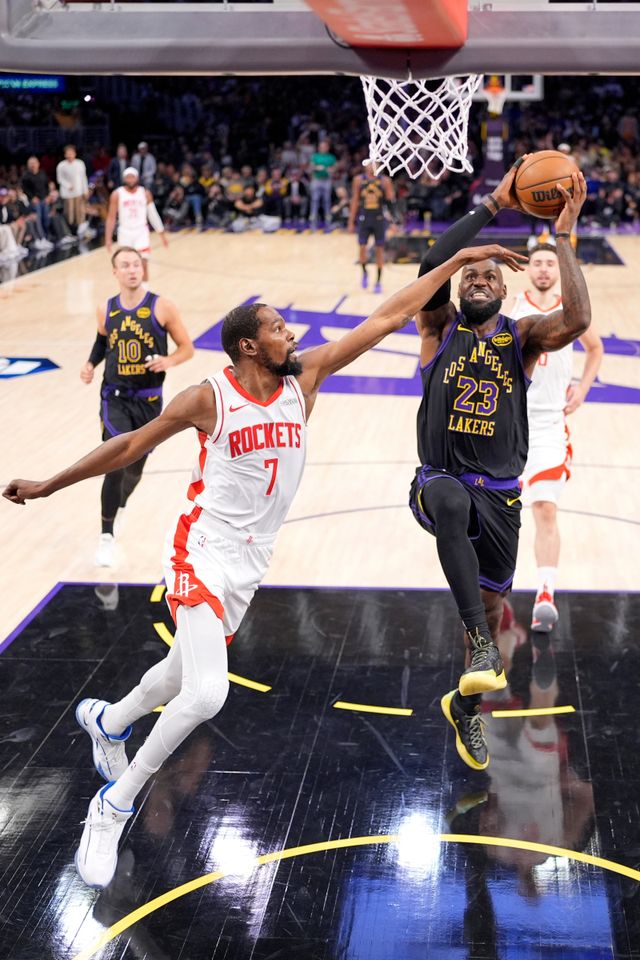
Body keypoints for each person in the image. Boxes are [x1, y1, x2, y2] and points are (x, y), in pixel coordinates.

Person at [3, 241, 526, 889]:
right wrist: (49, 485)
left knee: (178, 673)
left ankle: (107, 721)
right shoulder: (208, 398)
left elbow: (388, 316)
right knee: (206, 692)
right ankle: (114, 804)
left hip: (251, 561)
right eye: (279, 327)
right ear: (249, 346)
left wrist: (457, 258)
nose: (292, 333)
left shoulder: (304, 379)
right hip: (202, 548)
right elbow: (129, 445)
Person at [408, 163, 590, 772]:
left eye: (490, 275)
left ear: (504, 290)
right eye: (472, 275)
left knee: (488, 612)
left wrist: (563, 236)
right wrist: (489, 210)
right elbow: (429, 263)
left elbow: (578, 321)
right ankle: (484, 646)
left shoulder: (523, 337)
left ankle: (465, 704)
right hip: (440, 480)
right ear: (459, 286)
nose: (481, 279)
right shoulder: (437, 327)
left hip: (502, 495)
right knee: (450, 502)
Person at [505, 242, 603, 631]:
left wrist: (583, 388)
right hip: (510, 424)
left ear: (558, 271)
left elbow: (595, 348)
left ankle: (545, 592)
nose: (544, 269)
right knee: (504, 511)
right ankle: (498, 588)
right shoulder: (512, 308)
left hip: (548, 424)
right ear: (529, 269)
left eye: (550, 263)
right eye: (538, 263)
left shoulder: (572, 309)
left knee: (545, 506)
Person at [79, 246, 194, 567]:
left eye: (136, 265)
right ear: (115, 272)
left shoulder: (162, 306)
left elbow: (187, 348)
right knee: (115, 459)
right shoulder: (106, 308)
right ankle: (106, 536)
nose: (132, 270)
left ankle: (120, 506)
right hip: (114, 396)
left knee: (135, 467)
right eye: (125, 266)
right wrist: (90, 364)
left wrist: (168, 360)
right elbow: (102, 342)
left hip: (149, 400)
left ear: (142, 269)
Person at [104, 167, 168, 282]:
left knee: (143, 264)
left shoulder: (145, 193)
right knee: (125, 267)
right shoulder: (117, 194)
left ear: (137, 178)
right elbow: (111, 218)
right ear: (124, 179)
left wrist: (162, 234)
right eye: (128, 177)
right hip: (125, 233)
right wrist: (108, 238)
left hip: (141, 232)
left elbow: (153, 215)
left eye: (132, 177)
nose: (130, 180)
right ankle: (128, 291)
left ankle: (145, 291)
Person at [348, 166, 396, 293]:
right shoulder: (358, 180)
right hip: (364, 219)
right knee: (362, 248)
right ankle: (364, 272)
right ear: (365, 166)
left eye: (375, 163)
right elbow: (355, 200)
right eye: (370, 163)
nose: (372, 166)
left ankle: (378, 282)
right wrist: (351, 221)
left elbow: (390, 202)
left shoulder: (385, 181)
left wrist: (393, 222)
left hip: (379, 220)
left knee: (379, 251)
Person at [56, 144, 90, 237]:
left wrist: (85, 190)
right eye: (68, 153)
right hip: (68, 194)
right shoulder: (61, 165)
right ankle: (70, 233)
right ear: (65, 154)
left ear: (75, 153)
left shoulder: (80, 163)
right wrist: (68, 185)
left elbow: (83, 177)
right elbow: (59, 178)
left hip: (79, 193)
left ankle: (81, 232)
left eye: (72, 153)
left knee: (80, 213)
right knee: (69, 214)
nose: (70, 155)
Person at [309, 139, 337, 228]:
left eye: (324, 147)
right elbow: (311, 166)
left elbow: (335, 168)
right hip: (316, 179)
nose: (323, 148)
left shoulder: (331, 157)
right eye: (321, 147)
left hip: (327, 180)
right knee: (315, 199)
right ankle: (313, 216)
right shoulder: (315, 156)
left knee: (327, 199)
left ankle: (327, 216)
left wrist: (331, 170)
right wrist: (316, 167)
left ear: (327, 148)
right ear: (319, 148)